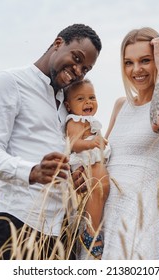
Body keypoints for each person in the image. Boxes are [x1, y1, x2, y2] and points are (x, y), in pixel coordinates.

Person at [0, 23, 102, 260]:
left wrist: (72, 180)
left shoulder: (70, 102)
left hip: (61, 232)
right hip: (15, 223)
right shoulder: (9, 82)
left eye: (85, 69)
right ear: (57, 43)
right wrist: (32, 172)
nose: (77, 70)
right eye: (76, 58)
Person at [100, 27, 159, 259]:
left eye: (145, 61)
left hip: (135, 214)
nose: (136, 69)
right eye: (128, 62)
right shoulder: (121, 105)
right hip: (101, 212)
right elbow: (103, 157)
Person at [63, 79, 111, 259]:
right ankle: (90, 232)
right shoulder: (74, 121)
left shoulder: (90, 120)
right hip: (84, 161)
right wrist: (92, 143)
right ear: (68, 106)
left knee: (102, 188)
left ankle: (94, 227)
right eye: (80, 99)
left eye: (92, 97)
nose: (88, 102)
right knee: (99, 187)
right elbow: (74, 144)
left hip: (92, 158)